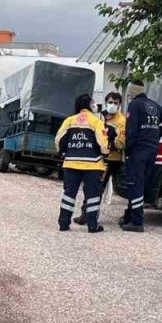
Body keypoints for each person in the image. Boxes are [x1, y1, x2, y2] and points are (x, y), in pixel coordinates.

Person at [55, 93, 109, 233]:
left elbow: (58, 139)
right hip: (93, 165)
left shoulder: (69, 120)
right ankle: (92, 226)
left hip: (71, 164)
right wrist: (105, 153)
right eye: (93, 102)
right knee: (92, 196)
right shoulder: (96, 121)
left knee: (69, 194)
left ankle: (63, 224)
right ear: (90, 105)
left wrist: (63, 152)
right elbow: (103, 143)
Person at [75, 92, 126, 225]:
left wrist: (109, 143)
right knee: (93, 187)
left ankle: (90, 216)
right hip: (97, 157)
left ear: (120, 105)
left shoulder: (121, 121)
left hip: (113, 158)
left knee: (103, 188)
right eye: (110, 102)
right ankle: (86, 214)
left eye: (115, 103)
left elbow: (121, 142)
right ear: (105, 102)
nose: (112, 105)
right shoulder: (99, 116)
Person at [120, 81, 161, 232]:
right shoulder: (155, 106)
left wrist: (127, 150)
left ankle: (136, 221)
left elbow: (131, 130)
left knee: (134, 185)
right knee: (141, 184)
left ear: (133, 91)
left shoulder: (134, 105)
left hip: (138, 151)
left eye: (130, 91)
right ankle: (129, 216)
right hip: (152, 150)